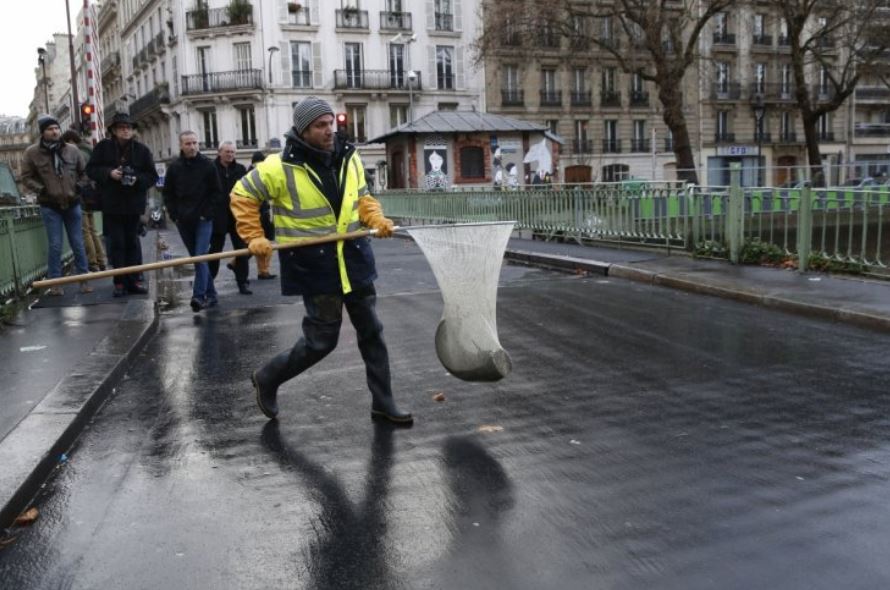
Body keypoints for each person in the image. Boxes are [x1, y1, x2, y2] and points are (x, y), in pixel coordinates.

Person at [230, 96, 412, 425]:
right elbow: (242, 195)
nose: (329, 131)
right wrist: (254, 236)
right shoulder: (279, 166)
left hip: (354, 259)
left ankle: (383, 403)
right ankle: (268, 377)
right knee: (321, 342)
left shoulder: (350, 156)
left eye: (331, 123)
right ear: (303, 130)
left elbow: (363, 198)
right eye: (320, 126)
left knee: (372, 332)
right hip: (314, 266)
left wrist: (376, 219)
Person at [86, 112, 157, 297]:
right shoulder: (103, 148)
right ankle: (119, 281)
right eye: (121, 128)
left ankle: (134, 280)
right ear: (114, 131)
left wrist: (135, 179)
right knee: (117, 243)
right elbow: (91, 169)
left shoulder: (141, 150)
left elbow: (151, 176)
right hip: (112, 204)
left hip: (133, 204)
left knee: (132, 243)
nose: (125, 131)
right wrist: (110, 173)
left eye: (128, 128)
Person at [21, 116, 93, 296]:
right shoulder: (32, 153)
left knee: (77, 242)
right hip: (50, 204)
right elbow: (26, 178)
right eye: (50, 129)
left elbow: (85, 173)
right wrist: (42, 189)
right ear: (42, 132)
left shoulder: (72, 150)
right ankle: (55, 283)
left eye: (56, 128)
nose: (54, 132)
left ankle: (84, 280)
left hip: (72, 202)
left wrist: (79, 187)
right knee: (55, 245)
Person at [163, 131, 223, 312]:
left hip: (203, 220)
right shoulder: (174, 168)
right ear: (181, 145)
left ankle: (198, 296)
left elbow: (217, 192)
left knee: (200, 257)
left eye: (195, 143)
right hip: (183, 220)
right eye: (188, 143)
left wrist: (207, 213)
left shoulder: (208, 165)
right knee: (198, 259)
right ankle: (211, 295)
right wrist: (174, 214)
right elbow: (168, 193)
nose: (192, 146)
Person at [210, 141, 252, 295]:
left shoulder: (240, 169)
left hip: (237, 216)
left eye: (233, 152)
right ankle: (209, 283)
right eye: (227, 152)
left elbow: (248, 190)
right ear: (219, 152)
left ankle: (243, 283)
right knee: (214, 252)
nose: (230, 155)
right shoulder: (211, 168)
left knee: (242, 250)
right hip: (217, 216)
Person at [62, 129, 106, 272]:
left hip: (81, 195)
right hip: (92, 194)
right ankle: (101, 260)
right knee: (92, 230)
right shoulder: (89, 150)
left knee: (85, 231)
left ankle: (92, 262)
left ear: (71, 141)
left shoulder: (75, 153)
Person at [249, 150, 276, 281]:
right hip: (263, 213)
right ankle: (264, 270)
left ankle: (263, 270)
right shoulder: (262, 171)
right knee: (265, 243)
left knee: (256, 243)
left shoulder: (248, 173)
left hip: (255, 213)